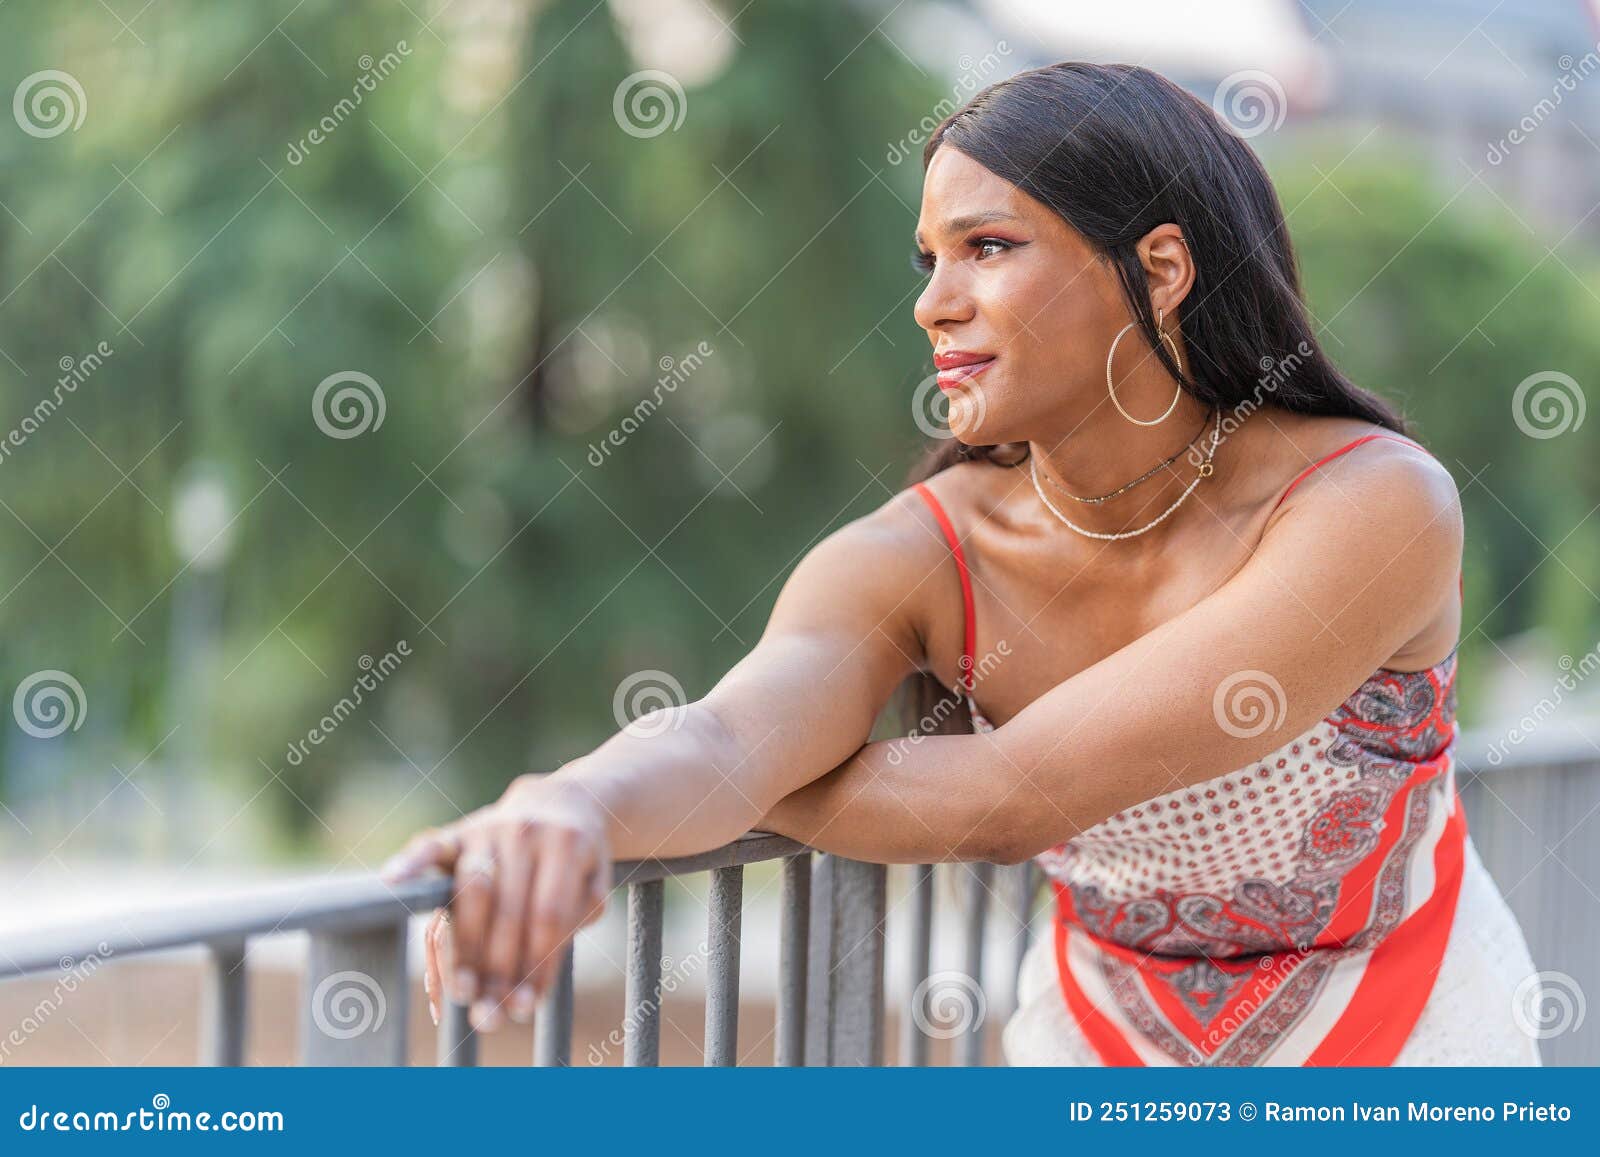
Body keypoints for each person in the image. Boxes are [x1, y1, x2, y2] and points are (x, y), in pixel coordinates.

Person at [381, 61, 1542, 1065]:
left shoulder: (1371, 503)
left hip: (1415, 1030)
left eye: (988, 247)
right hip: (1098, 1043)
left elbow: (1009, 793)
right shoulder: (923, 548)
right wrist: (570, 806)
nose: (935, 303)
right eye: (928, 257)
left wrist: (727, 782)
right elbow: (732, 732)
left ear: (1164, 267)